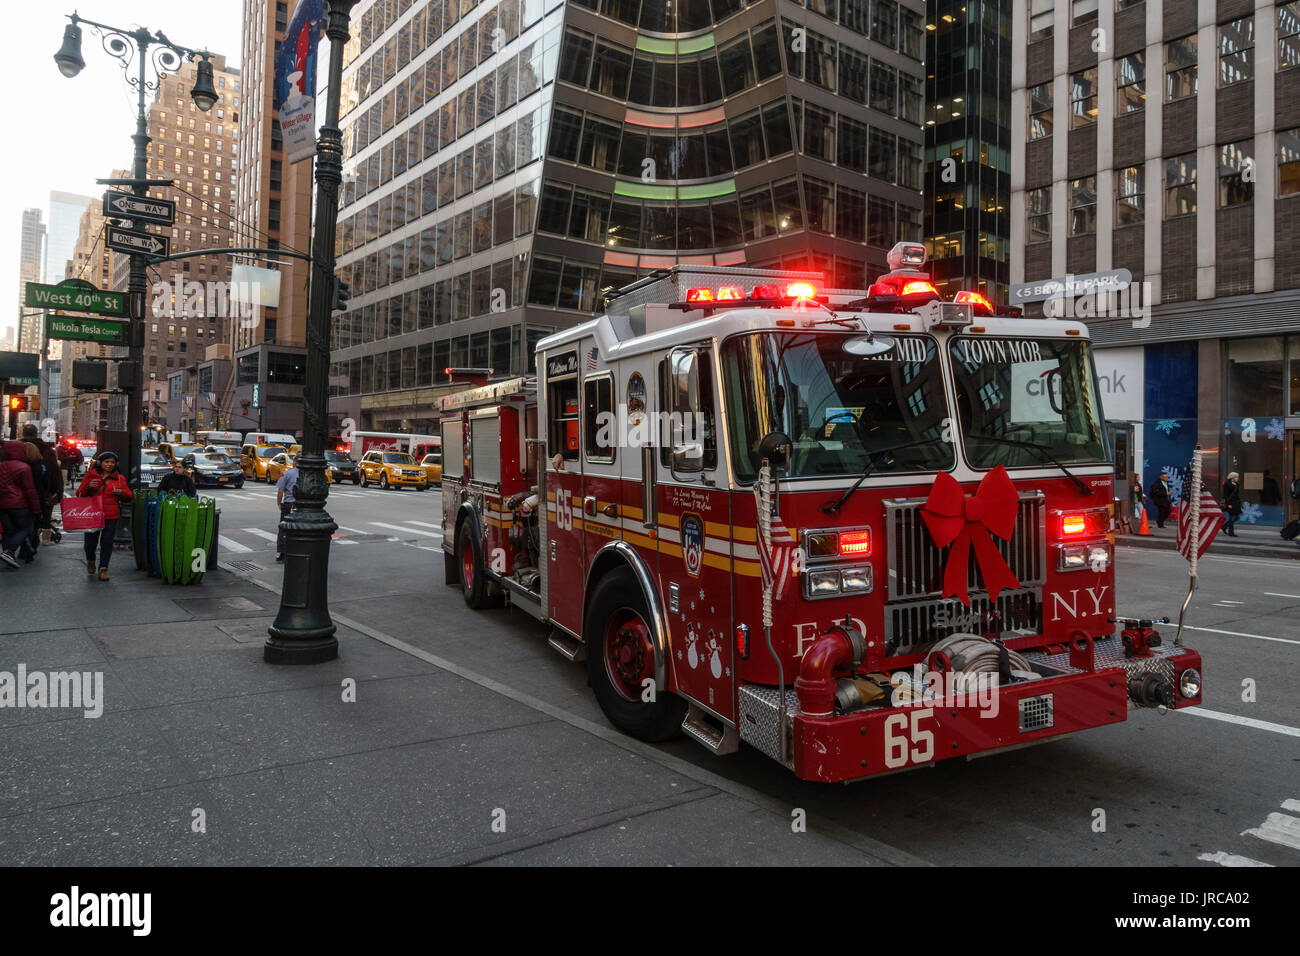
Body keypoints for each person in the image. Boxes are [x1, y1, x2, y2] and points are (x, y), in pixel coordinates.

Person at [77, 451, 133, 581]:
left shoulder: (120, 478)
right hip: (92, 514)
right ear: (100, 463)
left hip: (110, 514)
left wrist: (121, 493)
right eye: (106, 462)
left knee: (107, 541)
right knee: (90, 543)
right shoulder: (90, 476)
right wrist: (88, 486)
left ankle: (103, 568)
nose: (109, 464)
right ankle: (90, 560)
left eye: (112, 462)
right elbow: (79, 493)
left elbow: (129, 496)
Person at [0, 440, 40, 569]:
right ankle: (9, 552)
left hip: (2, 503)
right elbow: (30, 490)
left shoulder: (1, 466)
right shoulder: (24, 467)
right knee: (25, 529)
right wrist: (35, 508)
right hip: (19, 504)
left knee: (8, 531)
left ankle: (8, 559)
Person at [22, 424, 63, 548]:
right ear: (36, 433)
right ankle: (43, 539)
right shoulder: (47, 450)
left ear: (23, 433)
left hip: (20, 491)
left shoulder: (16, 448)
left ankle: (24, 542)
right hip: (42, 489)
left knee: (23, 517)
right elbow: (54, 472)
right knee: (45, 514)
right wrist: (57, 491)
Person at [274, 455, 299, 562]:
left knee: (283, 528)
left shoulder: (288, 473)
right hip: (301, 506)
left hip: (288, 504)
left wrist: (279, 503)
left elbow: (280, 490)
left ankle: (282, 552)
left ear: (295, 463)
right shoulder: (306, 474)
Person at [1222, 471, 1242, 536]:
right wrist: (1228, 504)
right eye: (1236, 477)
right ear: (1232, 477)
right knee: (1232, 517)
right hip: (1230, 502)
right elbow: (1225, 495)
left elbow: (1237, 494)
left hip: (1236, 502)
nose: (1237, 478)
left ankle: (1224, 526)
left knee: (1237, 517)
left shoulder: (1236, 484)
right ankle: (1231, 532)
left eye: (1237, 477)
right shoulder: (1227, 484)